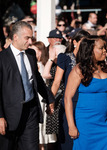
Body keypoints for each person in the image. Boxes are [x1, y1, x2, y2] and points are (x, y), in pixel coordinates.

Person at [0, 21, 55, 150]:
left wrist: (49, 98)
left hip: (31, 112)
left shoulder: (30, 55)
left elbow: (37, 80)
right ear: (15, 37)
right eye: (27, 38)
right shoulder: (2, 59)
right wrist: (0, 116)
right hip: (9, 115)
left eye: (31, 38)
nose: (30, 42)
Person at [64, 36, 107, 149]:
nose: (105, 50)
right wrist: (71, 125)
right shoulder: (78, 70)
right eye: (101, 48)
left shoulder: (106, 68)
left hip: (105, 120)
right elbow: (67, 98)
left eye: (105, 47)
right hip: (85, 122)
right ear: (90, 50)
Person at [51, 30, 90, 150]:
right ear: (74, 42)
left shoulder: (89, 61)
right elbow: (57, 81)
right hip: (69, 102)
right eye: (82, 42)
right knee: (68, 140)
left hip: (86, 103)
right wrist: (50, 101)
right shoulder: (65, 58)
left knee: (85, 140)